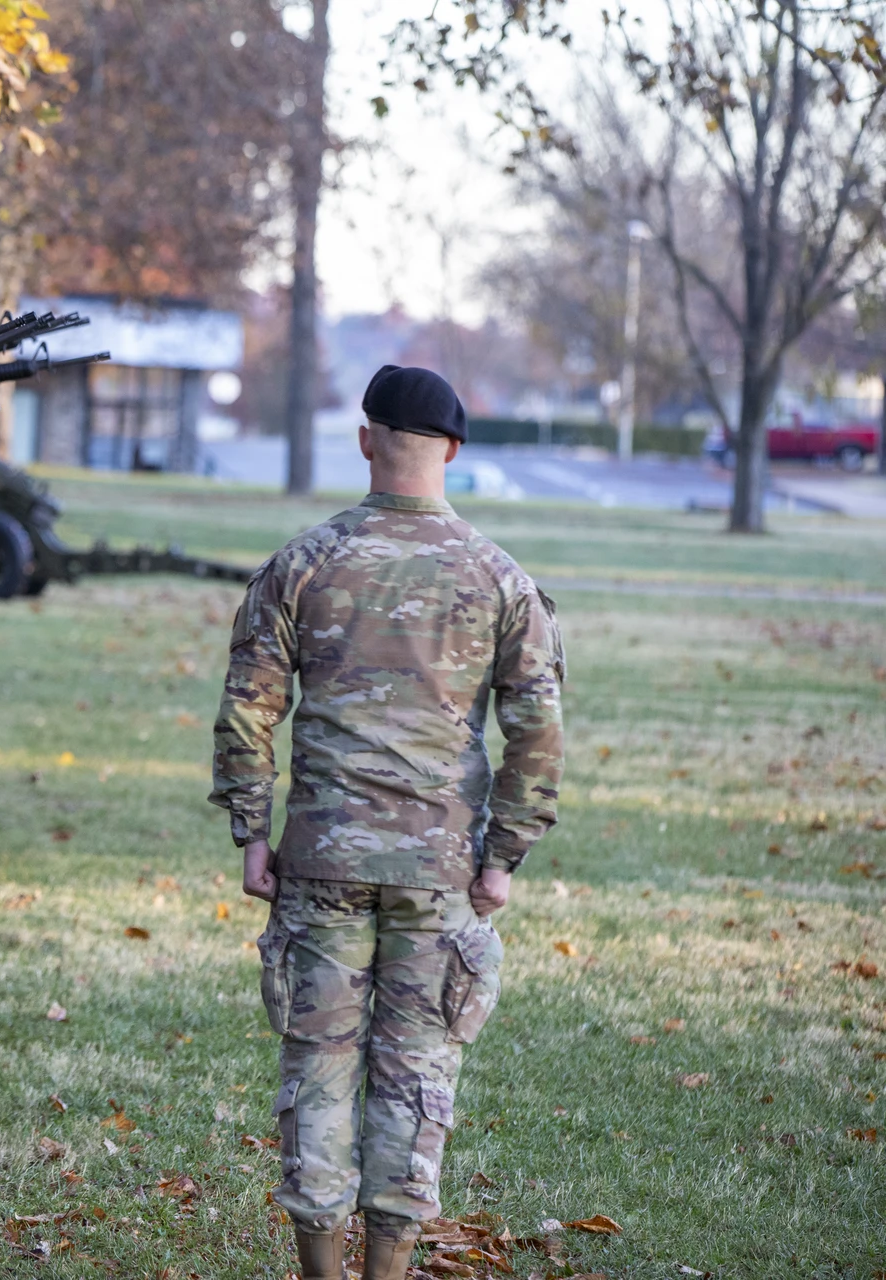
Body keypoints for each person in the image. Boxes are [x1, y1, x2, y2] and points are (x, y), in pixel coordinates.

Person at [209, 365, 565, 1280]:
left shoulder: (302, 563)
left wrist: (252, 832)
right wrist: (504, 857)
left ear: (365, 439)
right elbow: (537, 730)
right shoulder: (501, 578)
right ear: (454, 449)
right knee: (416, 1078)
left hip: (320, 861)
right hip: (442, 872)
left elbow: (248, 709)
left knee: (318, 1070)